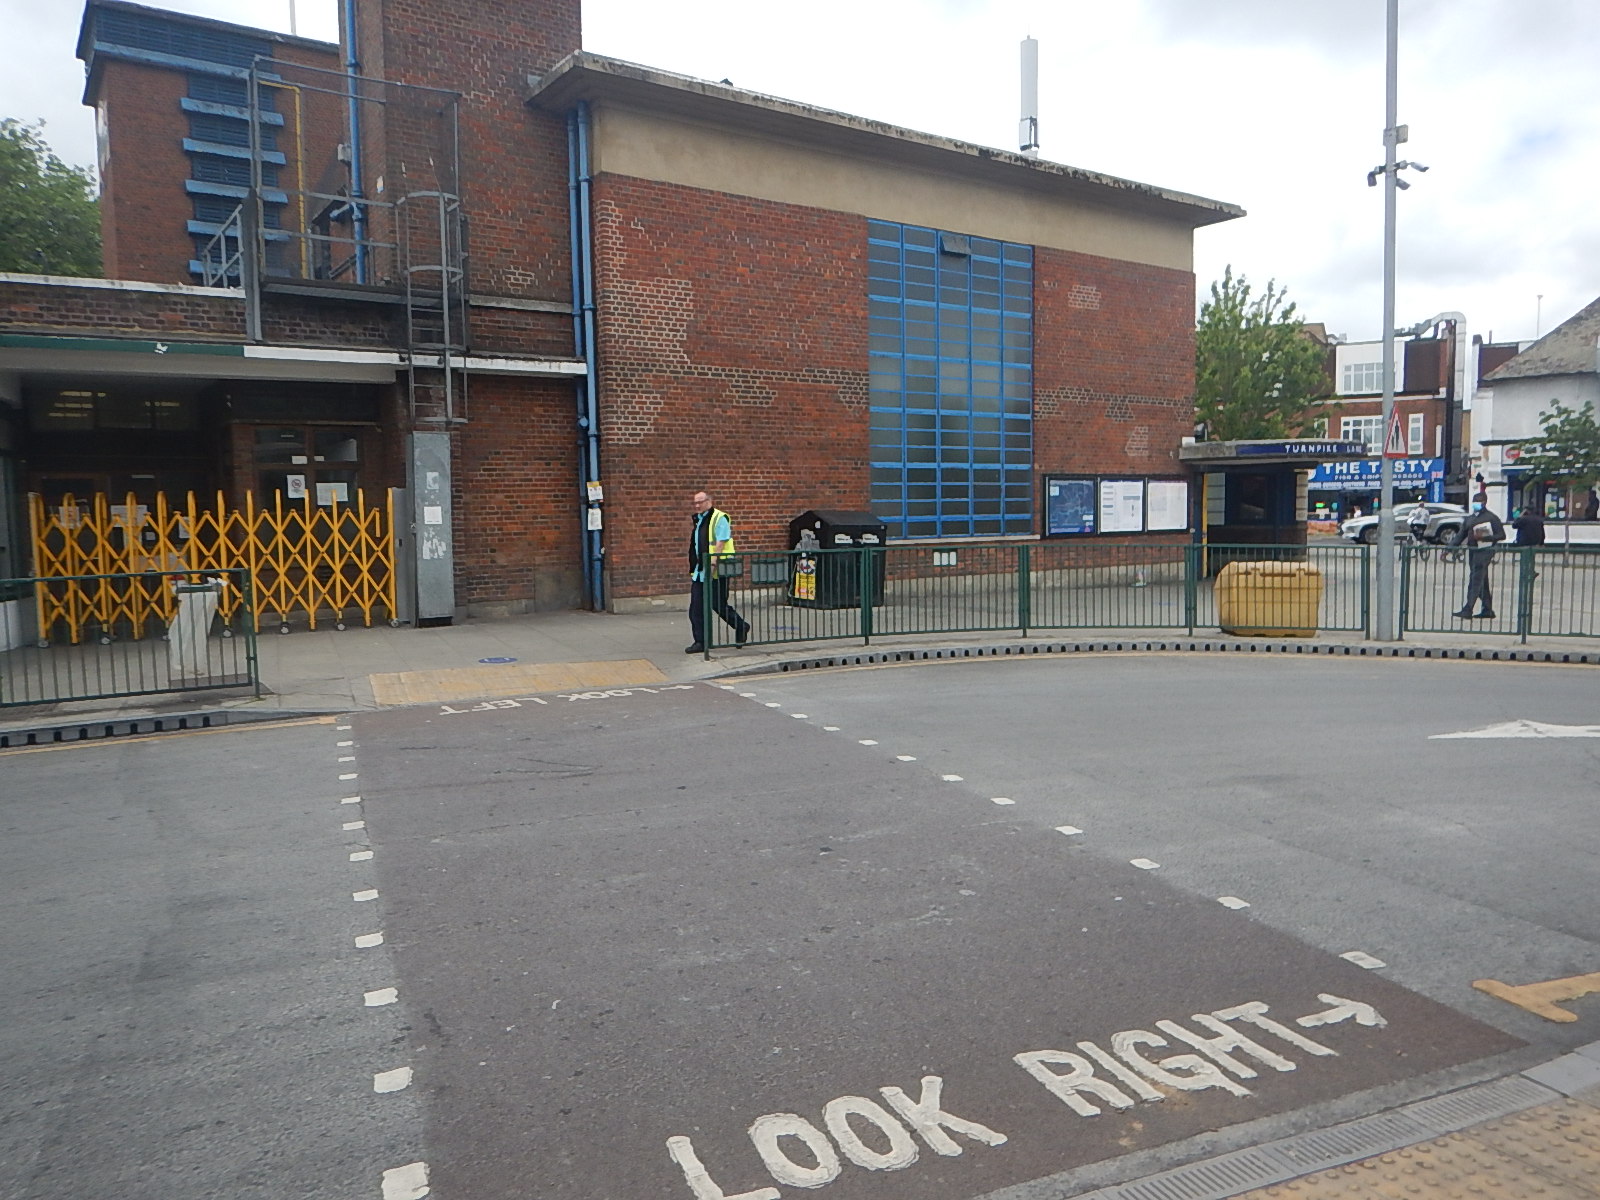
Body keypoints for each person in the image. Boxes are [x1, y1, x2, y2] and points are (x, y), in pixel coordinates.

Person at [686, 490, 750, 653]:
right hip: (700, 570)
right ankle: (700, 642)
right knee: (695, 608)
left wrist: (713, 563)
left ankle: (741, 626)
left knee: (718, 605)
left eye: (700, 502)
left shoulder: (719, 517)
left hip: (717, 571)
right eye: (695, 502)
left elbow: (721, 542)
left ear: (709, 501)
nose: (697, 505)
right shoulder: (699, 519)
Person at [1450, 496, 1506, 619]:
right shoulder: (1470, 518)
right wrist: (1449, 549)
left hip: (1485, 551)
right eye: (1475, 501)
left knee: (1475, 579)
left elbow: (1501, 535)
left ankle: (1468, 609)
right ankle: (1487, 609)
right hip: (1473, 551)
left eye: (1479, 502)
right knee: (1482, 580)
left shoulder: (1492, 518)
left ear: (1485, 502)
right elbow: (1460, 535)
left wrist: (1485, 538)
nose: (1476, 504)